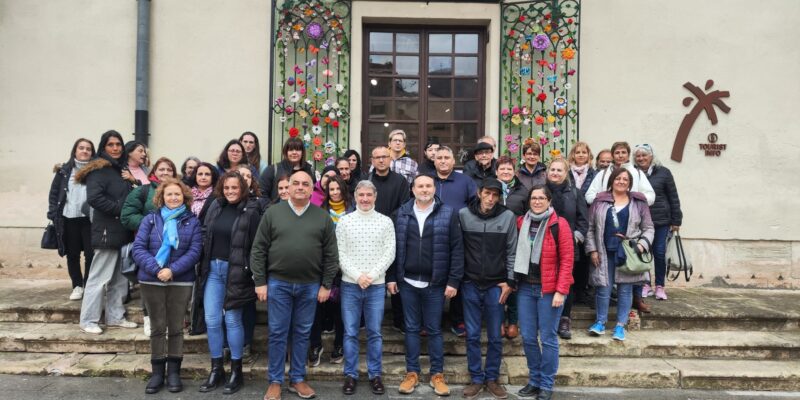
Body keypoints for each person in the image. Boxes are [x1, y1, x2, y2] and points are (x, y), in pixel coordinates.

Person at [251, 170, 339, 400]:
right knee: (278, 333)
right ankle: (275, 381)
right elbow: (258, 249)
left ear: (312, 189)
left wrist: (326, 285)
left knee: (302, 333)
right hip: (278, 283)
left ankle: (298, 379)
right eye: (296, 183)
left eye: (305, 184)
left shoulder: (322, 217)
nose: (300, 187)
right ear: (287, 187)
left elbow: (331, 255)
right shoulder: (273, 213)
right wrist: (260, 281)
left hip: (310, 285)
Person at [387, 174, 464, 396]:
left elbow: (457, 249)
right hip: (408, 282)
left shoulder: (448, 213)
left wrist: (453, 280)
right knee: (411, 328)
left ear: (434, 188)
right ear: (413, 189)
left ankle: (437, 374)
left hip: (435, 283)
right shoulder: (401, 213)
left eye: (428, 185)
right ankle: (412, 373)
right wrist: (392, 277)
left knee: (433, 329)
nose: (424, 189)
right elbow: (393, 249)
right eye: (420, 186)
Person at [132, 178, 202, 394]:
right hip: (151, 279)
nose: (173, 198)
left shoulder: (193, 222)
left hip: (179, 279)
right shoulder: (150, 220)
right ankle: (156, 373)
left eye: (177, 194)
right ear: (161, 197)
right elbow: (138, 248)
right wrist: (156, 269)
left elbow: (195, 251)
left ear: (185, 197)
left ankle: (173, 373)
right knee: (157, 327)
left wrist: (172, 270)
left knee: (176, 327)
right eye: (169, 194)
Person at [197, 171, 261, 394]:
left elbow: (256, 244)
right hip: (213, 269)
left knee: (233, 319)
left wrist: (252, 272)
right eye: (226, 188)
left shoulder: (252, 210)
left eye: (234, 188)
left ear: (242, 188)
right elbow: (204, 232)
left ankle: (236, 371)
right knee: (212, 319)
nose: (230, 191)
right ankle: (216, 369)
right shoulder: (215, 206)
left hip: (237, 272)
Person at [459, 178, 517, 399]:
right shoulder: (464, 215)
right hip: (470, 283)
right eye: (487, 194)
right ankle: (476, 379)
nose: (491, 199)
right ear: (479, 193)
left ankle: (491, 378)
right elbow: (458, 249)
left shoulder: (507, 216)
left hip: (496, 285)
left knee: (494, 335)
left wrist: (510, 282)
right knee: (472, 335)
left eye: (495, 195)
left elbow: (512, 251)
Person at [514, 185, 574, 400]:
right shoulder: (522, 222)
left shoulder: (559, 224)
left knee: (548, 338)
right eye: (534, 198)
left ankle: (547, 384)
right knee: (529, 337)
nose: (537, 201)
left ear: (549, 201)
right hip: (525, 288)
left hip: (549, 290)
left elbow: (567, 260)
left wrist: (561, 291)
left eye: (541, 198)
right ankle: (534, 380)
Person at [336, 180, 395, 396]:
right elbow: (339, 253)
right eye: (361, 195)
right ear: (355, 197)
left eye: (369, 195)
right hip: (351, 285)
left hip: (376, 286)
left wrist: (370, 276)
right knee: (350, 332)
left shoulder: (385, 222)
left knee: (374, 332)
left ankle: (375, 374)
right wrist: (357, 276)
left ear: (375, 197)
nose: (365, 199)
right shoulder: (345, 221)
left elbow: (389, 253)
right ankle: (350, 375)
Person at [75, 130, 137, 335]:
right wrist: (121, 210)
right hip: (106, 231)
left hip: (124, 230)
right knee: (99, 278)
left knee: (120, 278)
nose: (116, 148)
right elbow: (94, 198)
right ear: (104, 147)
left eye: (118, 144)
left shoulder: (121, 169)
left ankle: (115, 316)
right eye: (111, 144)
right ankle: (88, 319)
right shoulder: (98, 169)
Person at [585, 168, 654, 342]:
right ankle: (600, 322)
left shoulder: (638, 202)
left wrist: (641, 245)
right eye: (618, 178)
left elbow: (649, 227)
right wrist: (592, 249)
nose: (621, 181)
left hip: (628, 252)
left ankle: (620, 326)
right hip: (604, 250)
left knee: (625, 290)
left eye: (625, 179)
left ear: (630, 183)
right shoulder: (600, 201)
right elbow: (590, 228)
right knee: (603, 288)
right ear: (612, 180)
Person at [121, 157, 179, 336]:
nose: (165, 173)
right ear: (154, 172)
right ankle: (148, 318)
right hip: (149, 245)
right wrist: (152, 224)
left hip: (174, 246)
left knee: (171, 285)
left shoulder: (179, 191)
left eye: (169, 169)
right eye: (161, 169)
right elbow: (127, 215)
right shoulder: (143, 191)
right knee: (149, 281)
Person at [308, 174, 353, 367]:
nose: (335, 192)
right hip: (322, 265)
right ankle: (316, 346)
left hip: (346, 267)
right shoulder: (319, 211)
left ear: (343, 189)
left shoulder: (352, 211)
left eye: (338, 189)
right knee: (316, 308)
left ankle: (339, 345)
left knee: (340, 309)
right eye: (331, 189)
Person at [432, 145, 475, 336]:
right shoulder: (426, 181)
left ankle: (458, 320)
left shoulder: (465, 181)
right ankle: (432, 321)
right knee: (433, 279)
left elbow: (475, 206)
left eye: (446, 157)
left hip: (459, 237)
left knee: (458, 277)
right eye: (439, 157)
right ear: (434, 160)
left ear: (453, 160)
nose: (442, 161)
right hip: (430, 238)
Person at [545, 158, 589, 340]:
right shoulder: (541, 192)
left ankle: (564, 319)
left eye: (559, 170)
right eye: (552, 170)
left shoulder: (575, 193)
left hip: (567, 246)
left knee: (565, 283)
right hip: (544, 246)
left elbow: (583, 220)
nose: (555, 173)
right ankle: (546, 319)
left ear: (566, 173)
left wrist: (575, 239)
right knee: (546, 282)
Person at [48, 138, 96, 300]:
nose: (84, 151)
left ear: (92, 152)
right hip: (68, 219)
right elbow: (54, 194)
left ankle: (88, 284)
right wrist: (53, 213)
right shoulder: (64, 171)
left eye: (88, 149)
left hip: (89, 220)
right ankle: (77, 285)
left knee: (91, 254)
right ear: (75, 151)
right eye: (81, 148)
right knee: (72, 254)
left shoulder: (95, 171)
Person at [634, 144, 682, 300]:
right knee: (643, 253)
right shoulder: (633, 173)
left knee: (659, 253)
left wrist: (677, 220)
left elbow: (673, 197)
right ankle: (646, 284)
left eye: (644, 155)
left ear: (651, 156)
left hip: (661, 221)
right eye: (638, 156)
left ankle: (660, 286)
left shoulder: (664, 173)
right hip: (641, 221)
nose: (641, 158)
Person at [585, 142, 655, 206]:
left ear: (628, 155)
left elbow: (650, 196)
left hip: (632, 217)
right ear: (612, 155)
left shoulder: (637, 173)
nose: (620, 155)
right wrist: (603, 199)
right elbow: (589, 196)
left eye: (623, 152)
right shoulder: (603, 174)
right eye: (617, 153)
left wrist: (634, 201)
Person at [259, 137, 316, 202]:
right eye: (291, 150)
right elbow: (262, 194)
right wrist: (271, 210)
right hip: (278, 210)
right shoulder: (273, 170)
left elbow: (314, 194)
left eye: (298, 150)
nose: (294, 152)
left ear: (302, 152)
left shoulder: (309, 170)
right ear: (286, 152)